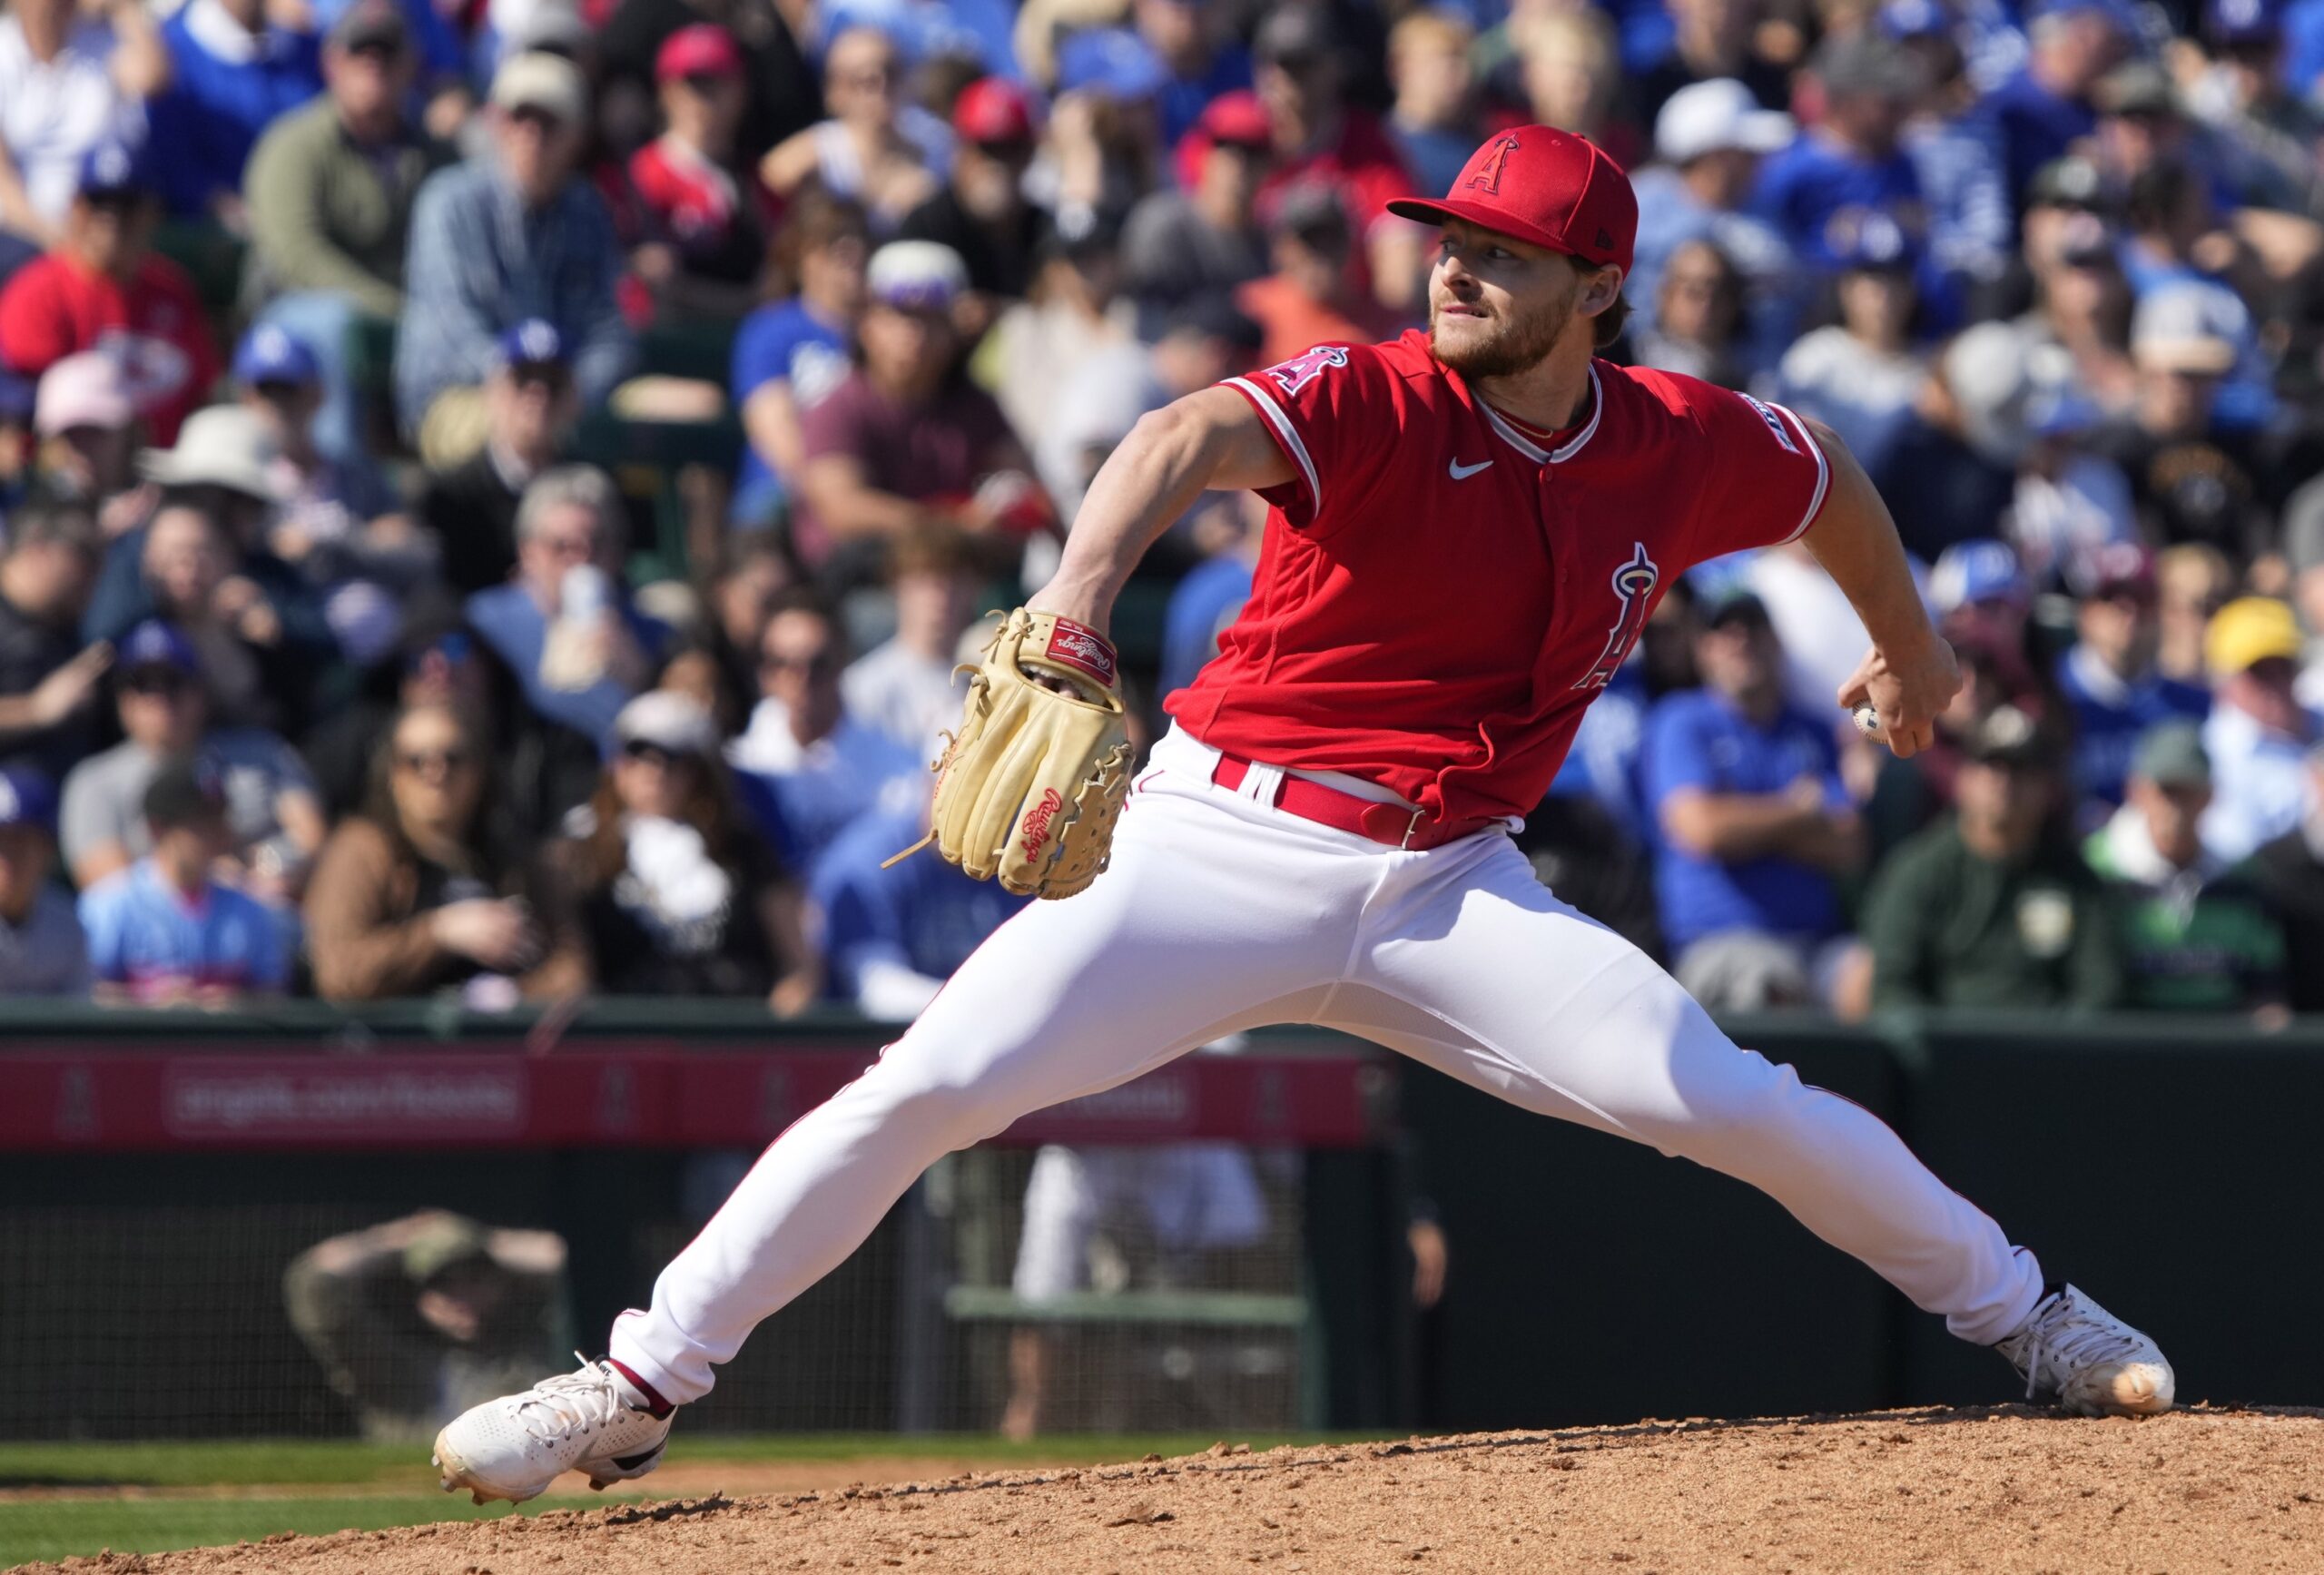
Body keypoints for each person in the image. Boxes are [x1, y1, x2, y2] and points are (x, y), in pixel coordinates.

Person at [433, 124, 2174, 1508]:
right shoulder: (1375, 394)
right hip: (1222, 841)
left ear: (1601, 284)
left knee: (1725, 1096)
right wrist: (1077, 599)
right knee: (932, 1087)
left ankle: (2035, 1320)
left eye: (1503, 250)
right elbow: (1186, 433)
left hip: (1449, 887)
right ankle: (634, 1386)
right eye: (1450, 236)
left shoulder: (1675, 439)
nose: (1457, 266)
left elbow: (1826, 479)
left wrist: (1917, 651)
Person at [244, 0, 452, 479]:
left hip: (411, 322)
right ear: (331, 62)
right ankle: (337, 482)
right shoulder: (293, 144)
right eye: (361, 54)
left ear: (411, 67)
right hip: (293, 321)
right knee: (334, 326)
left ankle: (452, 482)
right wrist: (392, 309)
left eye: (386, 55)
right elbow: (298, 256)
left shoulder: (435, 154)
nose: (373, 67)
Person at [396, 52, 634, 469]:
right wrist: (527, 392)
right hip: (460, 394)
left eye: (549, 123)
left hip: (565, 395)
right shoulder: (451, 201)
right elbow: (453, 325)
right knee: (528, 428)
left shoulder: (587, 210)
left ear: (577, 136)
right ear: (494, 124)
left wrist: (573, 388)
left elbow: (611, 328)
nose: (532, 135)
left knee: (685, 411)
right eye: (519, 119)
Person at [1643, 590, 1862, 1009]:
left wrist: (1745, 824)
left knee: (1871, 978)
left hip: (1819, 941)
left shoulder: (1812, 731)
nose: (1740, 641)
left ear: (1777, 643)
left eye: (1753, 630)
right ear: (1703, 650)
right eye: (1724, 633)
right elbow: (1704, 830)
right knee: (1773, 984)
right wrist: (1799, 812)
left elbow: (1847, 842)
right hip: (1721, 945)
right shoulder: (1681, 721)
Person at [304, 699, 587, 1002]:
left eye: (452, 758)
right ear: (392, 774)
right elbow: (340, 973)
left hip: (500, 1043)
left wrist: (514, 995)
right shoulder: (363, 848)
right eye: (416, 760)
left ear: (479, 770)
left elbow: (571, 970)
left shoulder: (510, 858)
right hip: (396, 1044)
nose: (435, 773)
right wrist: (441, 933)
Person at [791, 241, 1042, 578]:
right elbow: (842, 509)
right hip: (860, 582)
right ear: (867, 326)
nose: (914, 334)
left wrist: (1001, 509)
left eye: (931, 319)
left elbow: (1027, 489)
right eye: (899, 317)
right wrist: (952, 524)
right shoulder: (839, 404)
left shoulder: (975, 406)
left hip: (954, 580)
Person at [556, 688, 817, 1008]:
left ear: (701, 772)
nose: (653, 770)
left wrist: (779, 1020)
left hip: (734, 1036)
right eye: (637, 752)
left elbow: (800, 964)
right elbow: (570, 964)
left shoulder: (744, 848)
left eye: (673, 757)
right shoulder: (583, 853)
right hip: (629, 1041)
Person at [1864, 704, 2124, 1010]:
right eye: (1991, 767)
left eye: (2021, 769)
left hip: (2046, 1047)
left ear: (2047, 788)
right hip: (1947, 1045)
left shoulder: (2074, 880)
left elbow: (2100, 985)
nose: (2005, 783)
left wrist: (2061, 1051)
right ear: (1964, 780)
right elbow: (1893, 982)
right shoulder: (1921, 870)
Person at [59, 618, 324, 898]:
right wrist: (211, 881)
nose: (159, 697)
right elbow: (109, 890)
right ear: (123, 701)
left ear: (201, 691)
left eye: (173, 681)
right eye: (143, 684)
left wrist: (270, 868)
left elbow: (314, 840)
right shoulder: (94, 780)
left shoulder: (261, 750)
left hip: (278, 909)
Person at [0, 141, 220, 446]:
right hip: (70, 471)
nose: (112, 220)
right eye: (99, 204)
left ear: (152, 213)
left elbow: (203, 388)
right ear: (75, 209)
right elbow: (16, 406)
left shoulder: (171, 289)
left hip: (163, 467)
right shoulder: (38, 292)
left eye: (126, 205)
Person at [283, 1211, 569, 1442]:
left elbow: (572, 1264)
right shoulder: (390, 1368)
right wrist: (396, 1240)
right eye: (443, 1285)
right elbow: (315, 1282)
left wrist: (486, 1241)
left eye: (474, 1280)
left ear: (500, 1286)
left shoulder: (534, 1359)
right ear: (420, 1298)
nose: (461, 1298)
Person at [2084, 721, 2285, 1013]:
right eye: (2166, 791)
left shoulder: (2242, 877)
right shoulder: (2097, 870)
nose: (2175, 807)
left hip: (2222, 1041)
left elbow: (2267, 984)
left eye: (2188, 792)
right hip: (2126, 1040)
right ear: (2136, 792)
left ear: (2210, 797)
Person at [465, 464, 668, 742]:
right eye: (560, 546)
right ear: (528, 553)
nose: (580, 558)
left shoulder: (652, 634)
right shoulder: (484, 623)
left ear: (617, 553)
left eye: (595, 543)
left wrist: (644, 681)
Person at [726, 590, 921, 868]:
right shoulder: (743, 768)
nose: (801, 678)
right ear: (764, 672)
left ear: (843, 660)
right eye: (782, 663)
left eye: (817, 664)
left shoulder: (899, 774)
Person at [78, 754, 290, 1003]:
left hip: (223, 1042)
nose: (217, 834)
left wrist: (238, 1001)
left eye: (219, 819)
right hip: (139, 1042)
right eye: (200, 824)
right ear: (158, 829)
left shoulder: (248, 909)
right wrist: (150, 1000)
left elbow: (276, 995)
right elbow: (83, 994)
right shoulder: (111, 904)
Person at [729, 192, 869, 530]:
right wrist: (835, 494)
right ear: (803, 256)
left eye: (860, 244)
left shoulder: (883, 334)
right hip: (782, 495)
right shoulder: (771, 330)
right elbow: (774, 432)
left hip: (866, 487)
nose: (851, 257)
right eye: (834, 246)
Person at [623, 23, 774, 320]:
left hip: (739, 326)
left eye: (719, 83)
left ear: (741, 90)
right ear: (667, 91)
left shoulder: (756, 180)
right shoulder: (641, 173)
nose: (705, 100)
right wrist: (634, 263)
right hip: (669, 330)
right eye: (694, 84)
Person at [418, 320, 580, 596]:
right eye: (522, 379)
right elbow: (443, 592)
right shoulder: (452, 492)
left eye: (552, 383)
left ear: (572, 398)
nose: (537, 395)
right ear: (492, 392)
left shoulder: (587, 484)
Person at [2054, 543, 2210, 812]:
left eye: (2143, 600)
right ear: (2086, 612)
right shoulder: (2050, 694)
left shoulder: (2194, 705)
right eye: (2113, 600)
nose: (2130, 614)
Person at [0, 0, 168, 247]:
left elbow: (153, 77)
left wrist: (122, 8)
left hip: (105, 220)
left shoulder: (99, 43)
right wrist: (56, 238)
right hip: (24, 233)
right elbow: (3, 185)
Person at [756, 25, 948, 233]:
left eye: (890, 72)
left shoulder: (934, 145)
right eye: (862, 79)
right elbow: (765, 185)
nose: (880, 86)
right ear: (834, 93)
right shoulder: (822, 151)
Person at [146, 0, 324, 222]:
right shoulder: (170, 52)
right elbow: (172, 160)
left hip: (306, 221)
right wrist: (220, 204)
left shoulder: (308, 50)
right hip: (209, 238)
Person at [1123, 90, 1271, 324]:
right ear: (1203, 153)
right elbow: (1148, 322)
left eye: (1253, 151)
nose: (1239, 164)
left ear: (1270, 165)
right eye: (1225, 146)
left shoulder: (1273, 241)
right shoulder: (1163, 225)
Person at [2200, 596, 2320, 861]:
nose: (2275, 683)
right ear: (2224, 682)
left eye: (2284, 666)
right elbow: (2238, 858)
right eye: (2259, 672)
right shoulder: (2218, 758)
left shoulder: (2317, 715)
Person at [841, 524, 976, 750]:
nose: (941, 596)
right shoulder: (865, 687)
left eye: (953, 580)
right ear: (898, 586)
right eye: (925, 581)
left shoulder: (980, 678)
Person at [0, 499, 107, 780]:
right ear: (37, 548)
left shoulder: (67, 627)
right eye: (85, 554)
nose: (94, 572)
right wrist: (33, 709)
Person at [0, 765, 89, 996]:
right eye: (0, 842)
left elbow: (81, 1022)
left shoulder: (67, 927)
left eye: (20, 842)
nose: (8, 857)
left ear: (47, 850)